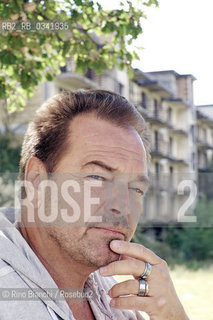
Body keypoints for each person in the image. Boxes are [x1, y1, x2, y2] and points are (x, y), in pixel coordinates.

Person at [0, 90, 189, 320]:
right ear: (36, 180)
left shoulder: (112, 295)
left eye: (135, 189)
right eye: (97, 177)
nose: (121, 207)